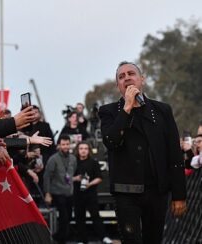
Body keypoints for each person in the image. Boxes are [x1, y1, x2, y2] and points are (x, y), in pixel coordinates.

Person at [99, 61, 186, 244]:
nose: (127, 78)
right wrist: (127, 108)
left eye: (131, 73)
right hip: (125, 193)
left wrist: (179, 195)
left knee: (154, 240)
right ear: (118, 86)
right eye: (121, 77)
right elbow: (111, 141)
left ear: (142, 79)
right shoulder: (108, 112)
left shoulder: (162, 110)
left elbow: (174, 155)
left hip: (156, 191)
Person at [73, 141, 112, 244]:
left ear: (89, 150)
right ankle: (82, 240)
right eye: (81, 148)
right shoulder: (73, 162)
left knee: (96, 217)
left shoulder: (93, 162)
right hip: (77, 195)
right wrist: (75, 178)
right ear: (78, 150)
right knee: (79, 218)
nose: (83, 151)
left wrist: (89, 184)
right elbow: (67, 178)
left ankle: (104, 237)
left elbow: (99, 178)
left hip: (91, 194)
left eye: (86, 148)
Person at [44, 134, 77, 244]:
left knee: (69, 217)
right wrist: (48, 193)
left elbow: (73, 173)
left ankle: (57, 237)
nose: (65, 146)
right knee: (64, 217)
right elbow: (47, 176)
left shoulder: (73, 159)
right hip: (57, 192)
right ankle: (62, 240)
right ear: (59, 145)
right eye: (63, 144)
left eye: (67, 144)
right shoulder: (53, 159)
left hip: (69, 192)